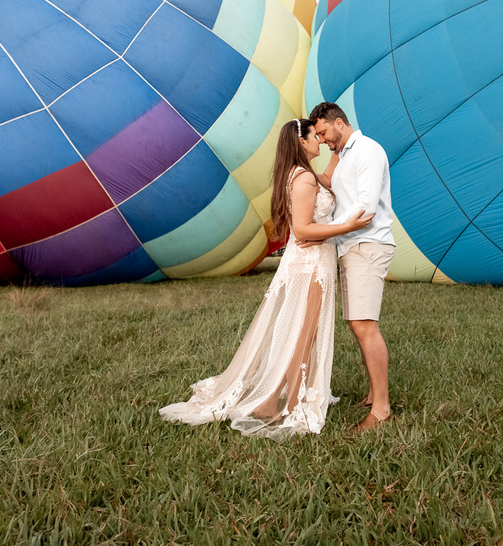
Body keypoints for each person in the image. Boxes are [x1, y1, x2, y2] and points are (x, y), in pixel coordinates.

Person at [159, 118, 373, 440]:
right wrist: (347, 227)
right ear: (302, 142)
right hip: (311, 264)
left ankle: (277, 398)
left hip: (312, 261)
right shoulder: (303, 179)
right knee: (304, 334)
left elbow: (328, 179)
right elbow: (302, 229)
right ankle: (284, 402)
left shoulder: (302, 174)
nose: (319, 140)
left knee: (303, 331)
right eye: (315, 136)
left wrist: (337, 146)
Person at [306, 102, 396, 434]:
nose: (323, 140)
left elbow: (366, 207)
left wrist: (323, 231)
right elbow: (327, 182)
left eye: (324, 132)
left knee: (364, 325)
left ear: (340, 123)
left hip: (368, 243)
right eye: (317, 136)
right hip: (352, 245)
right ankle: (374, 394)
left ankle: (382, 410)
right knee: (358, 323)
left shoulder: (367, 150)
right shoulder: (343, 155)